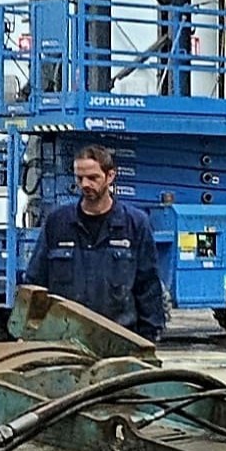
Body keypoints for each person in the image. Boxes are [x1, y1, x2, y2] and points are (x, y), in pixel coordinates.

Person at [26, 141, 169, 340]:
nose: (85, 184)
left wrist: (148, 339)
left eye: (93, 178)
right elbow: (35, 282)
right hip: (64, 341)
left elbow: (148, 287)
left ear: (110, 176)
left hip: (119, 342)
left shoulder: (135, 224)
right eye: (80, 178)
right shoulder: (57, 223)